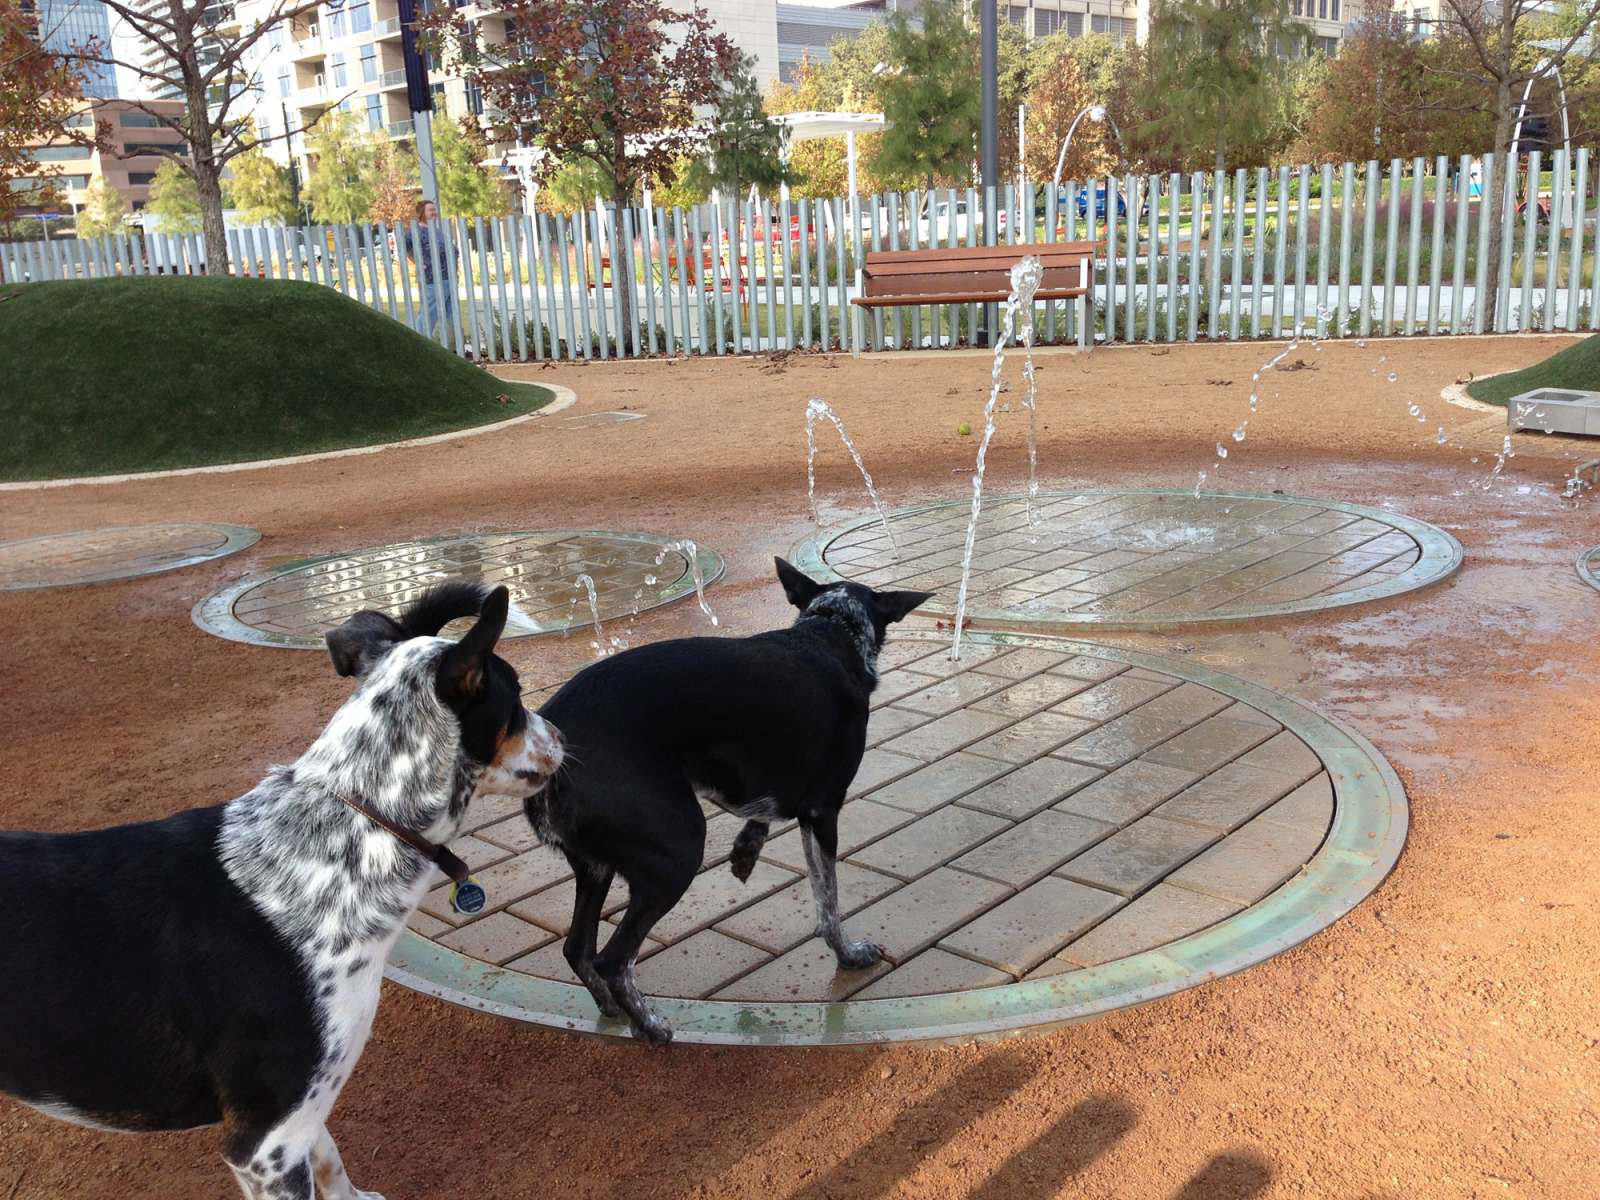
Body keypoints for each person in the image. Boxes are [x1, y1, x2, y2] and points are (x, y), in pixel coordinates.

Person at [390, 200, 464, 349]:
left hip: (448, 277)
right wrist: (418, 262)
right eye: (430, 210)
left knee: (451, 314)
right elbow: (402, 247)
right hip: (432, 279)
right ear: (422, 213)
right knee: (429, 313)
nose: (434, 213)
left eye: (434, 210)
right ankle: (418, 344)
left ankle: (452, 347)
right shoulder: (416, 232)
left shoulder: (436, 231)